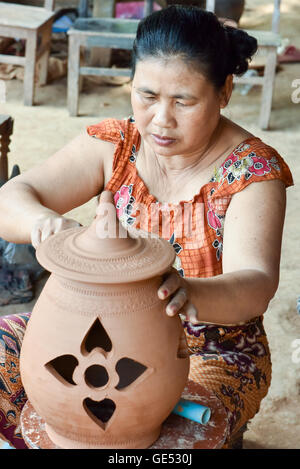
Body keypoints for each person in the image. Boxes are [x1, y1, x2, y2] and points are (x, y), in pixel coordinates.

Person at [0, 5, 293, 449]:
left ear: (225, 91)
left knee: (149, 429)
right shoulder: (117, 145)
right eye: (147, 95)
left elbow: (257, 284)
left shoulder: (252, 172)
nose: (161, 119)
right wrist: (43, 222)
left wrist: (191, 293)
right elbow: (13, 196)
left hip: (209, 349)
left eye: (183, 101)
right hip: (94, 332)